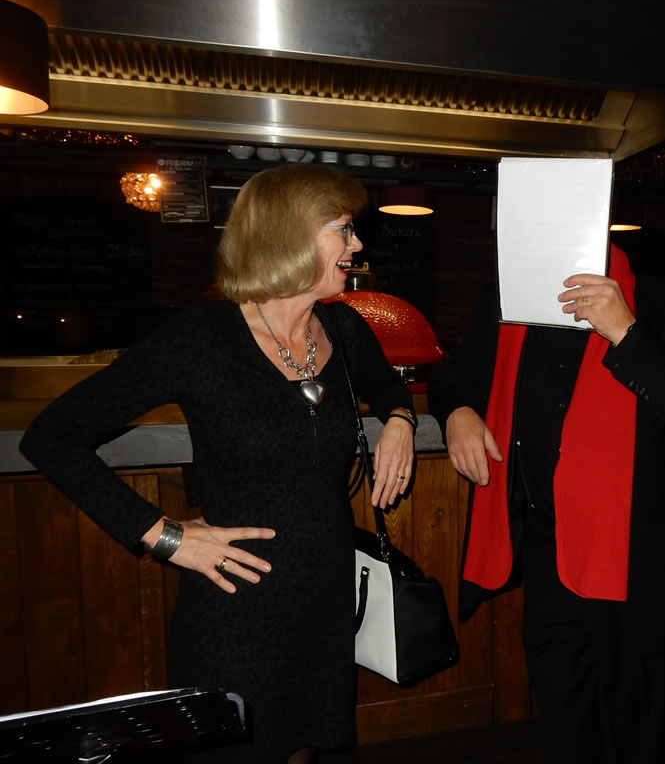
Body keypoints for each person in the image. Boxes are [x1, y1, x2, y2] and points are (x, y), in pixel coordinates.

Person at [19, 163, 417, 764]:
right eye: (342, 229)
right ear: (288, 237)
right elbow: (52, 437)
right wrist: (164, 537)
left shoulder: (343, 326)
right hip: (235, 598)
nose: (357, 244)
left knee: (305, 744)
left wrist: (400, 422)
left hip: (324, 592)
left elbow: (388, 385)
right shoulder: (202, 337)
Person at [428, 243, 665, 763]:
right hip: (548, 566)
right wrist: (457, 411)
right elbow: (453, 371)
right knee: (567, 735)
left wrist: (627, 332)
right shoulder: (508, 299)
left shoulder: (664, 302)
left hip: (638, 574)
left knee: (642, 743)